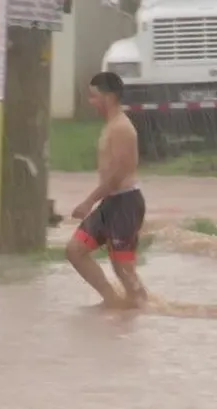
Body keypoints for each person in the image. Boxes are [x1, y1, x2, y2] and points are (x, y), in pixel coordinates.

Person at [65, 72, 147, 309]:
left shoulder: (122, 128)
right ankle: (112, 301)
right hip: (111, 204)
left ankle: (143, 310)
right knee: (75, 250)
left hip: (126, 204)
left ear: (109, 97)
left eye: (94, 96)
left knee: (123, 269)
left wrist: (89, 201)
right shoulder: (111, 126)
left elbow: (119, 174)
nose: (90, 102)